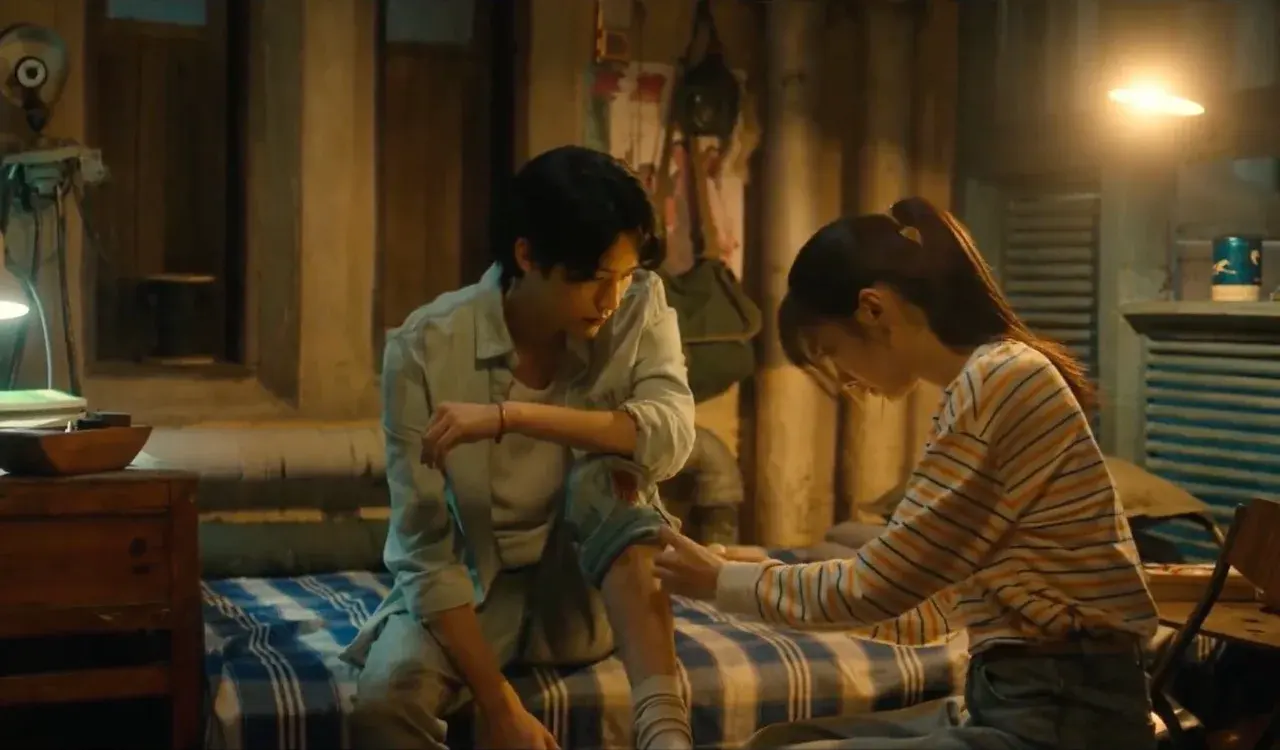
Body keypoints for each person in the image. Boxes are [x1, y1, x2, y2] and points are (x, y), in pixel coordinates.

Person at [654, 197, 1160, 750]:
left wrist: (723, 582)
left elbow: (877, 586)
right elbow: (927, 607)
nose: (846, 381)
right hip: (1021, 698)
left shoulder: (1003, 381)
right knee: (775, 741)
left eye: (832, 351)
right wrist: (760, 574)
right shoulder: (984, 383)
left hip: (1064, 716)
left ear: (872, 310)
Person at [342, 145, 697, 750]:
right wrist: (499, 704)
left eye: (624, 276)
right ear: (527, 256)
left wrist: (514, 417)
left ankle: (665, 732)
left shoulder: (638, 307)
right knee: (384, 704)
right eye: (593, 279)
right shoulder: (425, 347)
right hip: (479, 587)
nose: (611, 299)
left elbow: (671, 435)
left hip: (586, 590)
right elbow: (425, 552)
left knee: (609, 479)